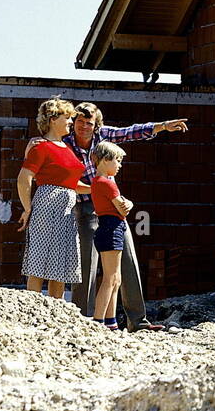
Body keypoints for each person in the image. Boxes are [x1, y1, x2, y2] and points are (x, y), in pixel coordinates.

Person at [50, 102, 188, 331]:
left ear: (96, 125)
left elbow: (131, 131)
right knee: (86, 266)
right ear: (73, 122)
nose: (84, 126)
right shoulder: (65, 144)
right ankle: (85, 320)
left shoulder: (103, 137)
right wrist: (95, 189)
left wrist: (163, 126)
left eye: (89, 123)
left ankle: (137, 321)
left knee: (127, 263)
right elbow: (56, 167)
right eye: (80, 122)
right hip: (84, 210)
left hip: (113, 212)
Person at [17, 98, 88, 298]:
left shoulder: (68, 148)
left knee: (60, 265)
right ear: (53, 119)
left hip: (67, 209)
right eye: (67, 117)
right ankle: (32, 311)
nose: (70, 122)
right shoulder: (40, 146)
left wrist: (97, 189)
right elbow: (24, 179)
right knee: (39, 261)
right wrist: (27, 208)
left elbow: (72, 184)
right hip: (47, 205)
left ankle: (54, 313)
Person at [87, 141, 132, 332]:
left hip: (109, 227)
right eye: (117, 160)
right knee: (110, 278)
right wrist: (130, 203)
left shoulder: (97, 182)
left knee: (116, 279)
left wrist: (127, 203)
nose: (119, 165)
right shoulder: (107, 183)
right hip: (111, 228)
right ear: (105, 160)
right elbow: (122, 208)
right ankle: (99, 320)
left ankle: (111, 321)